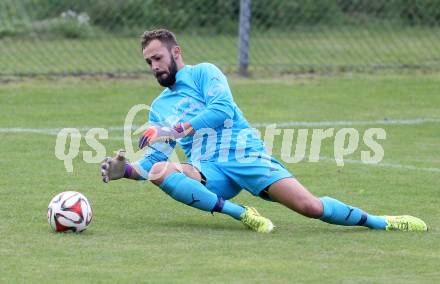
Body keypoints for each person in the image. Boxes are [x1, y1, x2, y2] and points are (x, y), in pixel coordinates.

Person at [100, 29, 427, 233]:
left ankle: (382, 221)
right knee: (159, 170)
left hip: (245, 157)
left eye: (157, 58)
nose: (154, 66)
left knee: (311, 208)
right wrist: (126, 170)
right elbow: (156, 156)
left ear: (176, 52)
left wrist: (173, 129)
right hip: (209, 172)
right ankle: (242, 214)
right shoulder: (159, 106)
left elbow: (221, 111)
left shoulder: (204, 73)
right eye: (148, 62)